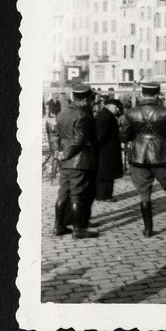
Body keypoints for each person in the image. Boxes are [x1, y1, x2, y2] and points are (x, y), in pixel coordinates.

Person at [119, 82, 166, 237]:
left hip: (138, 155)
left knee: (144, 192)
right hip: (161, 154)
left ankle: (148, 229)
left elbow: (124, 136)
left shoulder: (131, 113)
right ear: (157, 94)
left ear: (142, 93)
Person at [50, 84, 98, 239]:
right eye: (91, 98)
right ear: (86, 99)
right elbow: (79, 139)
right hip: (78, 161)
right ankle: (78, 229)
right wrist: (66, 154)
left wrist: (58, 152)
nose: (92, 101)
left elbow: (55, 134)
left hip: (64, 162)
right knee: (78, 193)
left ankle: (58, 226)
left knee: (63, 193)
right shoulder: (83, 114)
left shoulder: (63, 112)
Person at [94, 99, 123, 201]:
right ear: (110, 106)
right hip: (106, 151)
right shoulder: (106, 117)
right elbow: (100, 135)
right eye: (116, 107)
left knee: (108, 173)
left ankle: (105, 194)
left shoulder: (106, 115)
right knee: (105, 173)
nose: (117, 110)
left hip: (107, 150)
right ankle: (103, 195)